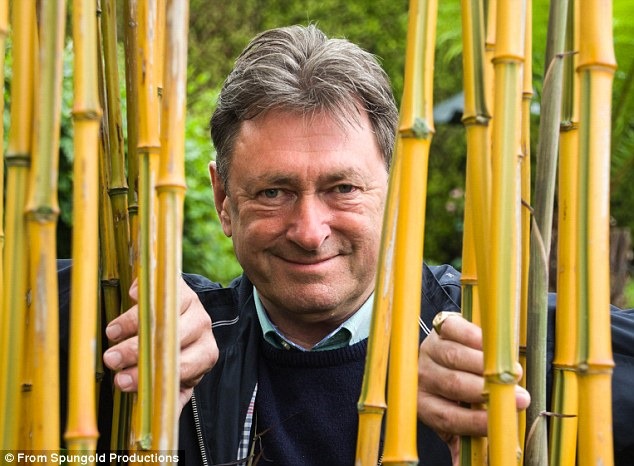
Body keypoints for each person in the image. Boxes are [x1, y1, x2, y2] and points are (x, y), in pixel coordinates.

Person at [99, 24, 634, 466]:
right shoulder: (161, 342)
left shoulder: (513, 345)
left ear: (398, 192)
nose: (310, 232)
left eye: (343, 188)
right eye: (273, 192)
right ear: (223, 199)